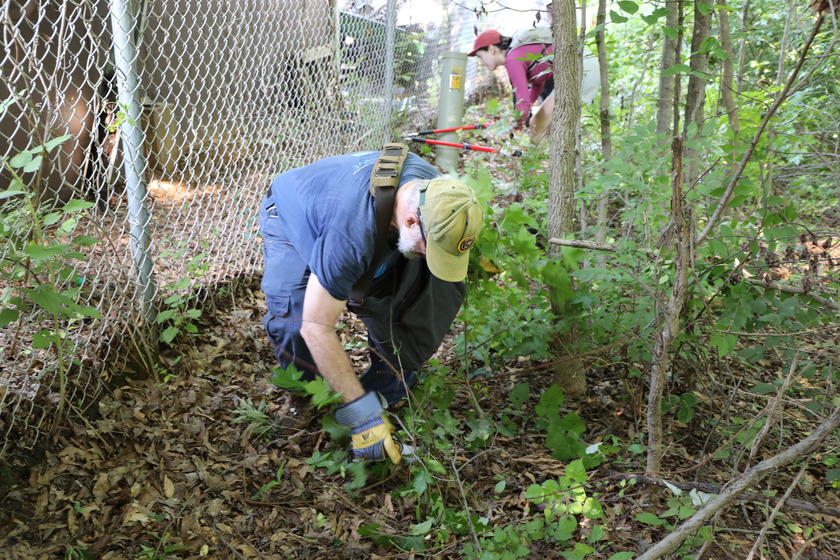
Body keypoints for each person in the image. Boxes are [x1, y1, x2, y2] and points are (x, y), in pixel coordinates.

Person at [259, 150, 483, 463]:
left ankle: (384, 387)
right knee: (293, 322)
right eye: (429, 249)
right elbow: (316, 326)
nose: (431, 257)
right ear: (409, 221)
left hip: (366, 223)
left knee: (422, 296)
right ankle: (306, 394)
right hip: (292, 217)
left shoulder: (442, 196)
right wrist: (363, 420)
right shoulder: (352, 234)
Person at [468, 28, 555, 138]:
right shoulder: (515, 53)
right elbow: (538, 81)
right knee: (540, 125)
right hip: (574, 70)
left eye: (480, 56)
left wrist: (516, 129)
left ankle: (538, 155)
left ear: (491, 49)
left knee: (537, 125)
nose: (481, 63)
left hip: (577, 71)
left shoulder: (512, 59)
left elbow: (523, 102)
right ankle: (542, 154)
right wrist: (529, 104)